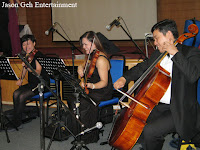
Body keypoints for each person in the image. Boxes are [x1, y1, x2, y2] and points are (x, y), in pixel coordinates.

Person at [114, 19, 200, 150]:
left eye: (156, 38)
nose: (154, 43)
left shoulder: (190, 52)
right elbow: (143, 67)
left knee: (150, 131)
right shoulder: (158, 54)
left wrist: (175, 53)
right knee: (134, 121)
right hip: (157, 105)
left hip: (179, 109)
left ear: (169, 35)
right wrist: (125, 78)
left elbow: (193, 75)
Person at [70, 31, 113, 144]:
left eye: (85, 44)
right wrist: (80, 67)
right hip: (92, 88)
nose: (83, 47)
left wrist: (91, 85)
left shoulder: (101, 59)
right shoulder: (91, 55)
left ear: (94, 43)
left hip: (102, 90)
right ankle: (79, 131)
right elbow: (84, 65)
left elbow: (104, 82)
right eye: (82, 45)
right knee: (72, 98)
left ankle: (89, 135)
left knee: (83, 102)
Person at [8, 34, 50, 130]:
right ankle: (18, 117)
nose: (26, 47)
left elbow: (38, 72)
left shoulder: (38, 55)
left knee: (22, 96)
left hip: (41, 84)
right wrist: (21, 79)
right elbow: (24, 70)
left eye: (28, 44)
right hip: (32, 84)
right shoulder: (28, 55)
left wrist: (28, 66)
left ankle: (16, 122)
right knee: (16, 93)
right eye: (24, 45)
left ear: (34, 43)